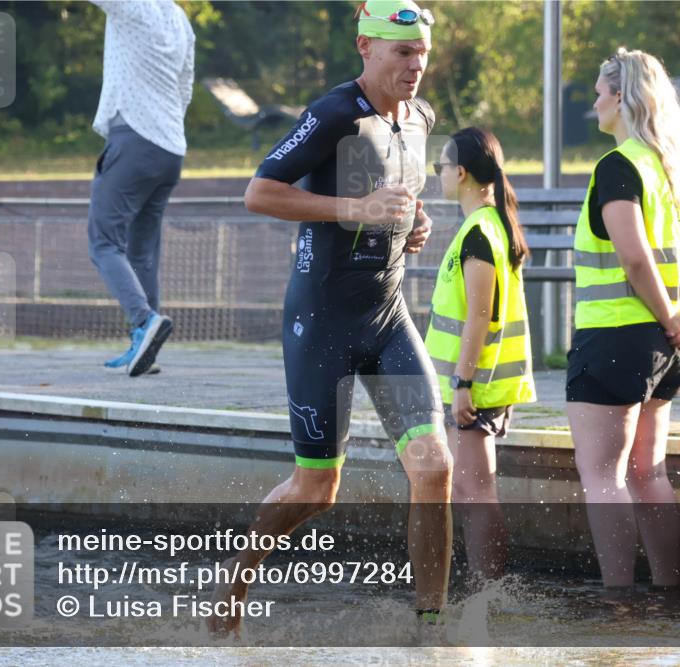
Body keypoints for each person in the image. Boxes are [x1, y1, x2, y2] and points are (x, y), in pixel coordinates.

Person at [208, 0, 452, 637]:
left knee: (435, 467)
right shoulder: (333, 114)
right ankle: (233, 586)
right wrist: (358, 207)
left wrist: (412, 223)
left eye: (422, 53)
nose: (416, 66)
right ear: (365, 49)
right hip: (322, 326)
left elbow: (400, 200)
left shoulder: (422, 117)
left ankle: (432, 624)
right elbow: (260, 192)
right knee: (317, 490)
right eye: (403, 53)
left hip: (389, 316)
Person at [566, 47, 680, 590]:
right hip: (665, 348)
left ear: (621, 96)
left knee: (603, 476)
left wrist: (675, 322)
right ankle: (670, 590)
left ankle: (619, 604)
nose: (596, 104)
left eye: (601, 93)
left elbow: (633, 256)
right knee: (649, 472)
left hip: (613, 340)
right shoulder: (673, 166)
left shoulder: (618, 164)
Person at [425, 128, 535, 582]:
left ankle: (488, 592)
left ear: (462, 172)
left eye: (441, 167)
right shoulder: (488, 223)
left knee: (474, 493)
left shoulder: (479, 232)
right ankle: (484, 589)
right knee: (473, 491)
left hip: (475, 385)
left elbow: (479, 315)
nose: (439, 176)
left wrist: (462, 384)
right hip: (478, 382)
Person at [87, 0, 195, 376]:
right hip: (170, 147)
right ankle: (143, 347)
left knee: (103, 241)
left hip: (133, 137)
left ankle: (144, 320)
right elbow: (185, 86)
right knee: (142, 251)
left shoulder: (131, 5)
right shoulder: (180, 18)